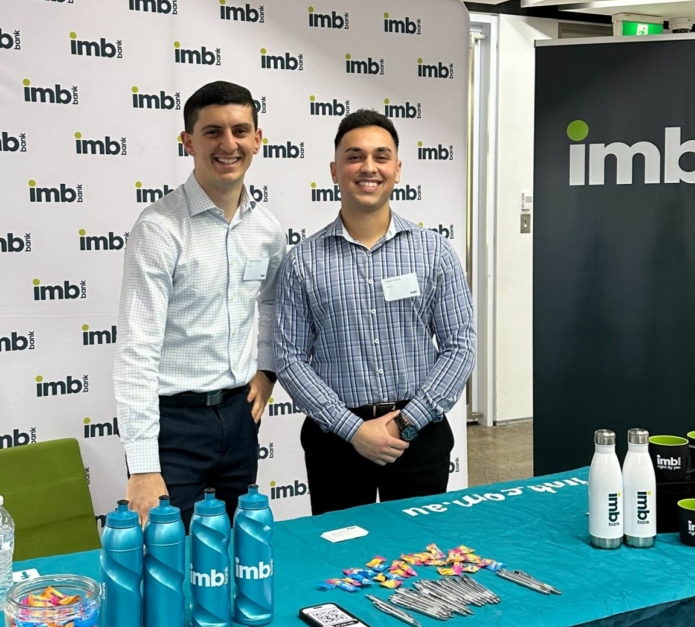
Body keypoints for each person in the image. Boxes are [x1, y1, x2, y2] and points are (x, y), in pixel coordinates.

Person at [275, 109, 475, 516]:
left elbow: (460, 345)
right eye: (355, 156)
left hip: (420, 436)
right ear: (335, 170)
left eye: (381, 157)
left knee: (421, 548)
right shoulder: (302, 261)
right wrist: (352, 430)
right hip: (336, 443)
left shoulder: (434, 252)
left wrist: (406, 423)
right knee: (341, 551)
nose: (369, 167)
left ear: (397, 170)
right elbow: (289, 357)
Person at [114, 80, 285, 529]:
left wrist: (267, 371)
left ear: (257, 139)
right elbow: (136, 348)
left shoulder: (268, 230)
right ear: (188, 141)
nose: (228, 144)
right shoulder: (159, 228)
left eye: (240, 131)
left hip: (239, 419)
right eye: (213, 132)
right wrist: (143, 465)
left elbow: (271, 305)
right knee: (170, 556)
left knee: (236, 550)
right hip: (173, 427)